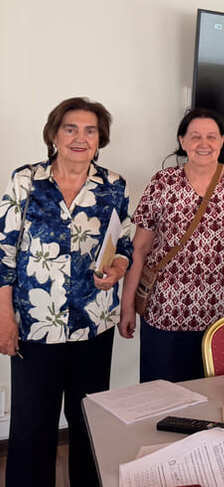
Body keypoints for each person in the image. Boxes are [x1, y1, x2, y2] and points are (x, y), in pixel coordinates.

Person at [0, 97, 132, 487]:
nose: (80, 138)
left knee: (88, 420)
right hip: (36, 324)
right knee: (32, 422)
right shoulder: (26, 181)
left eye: (90, 130)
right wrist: (4, 317)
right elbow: (4, 252)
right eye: (70, 129)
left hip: (94, 324)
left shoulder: (114, 185)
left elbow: (123, 243)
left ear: (100, 138)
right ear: (54, 135)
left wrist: (118, 268)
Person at [119, 108, 224, 382]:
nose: (204, 144)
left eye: (211, 136)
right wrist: (127, 305)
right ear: (182, 141)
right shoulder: (163, 182)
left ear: (222, 141)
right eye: (195, 136)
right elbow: (140, 249)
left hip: (219, 313)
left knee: (211, 392)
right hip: (164, 310)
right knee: (161, 392)